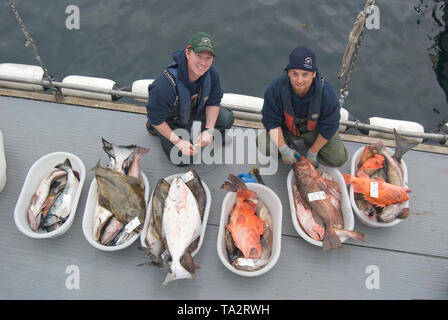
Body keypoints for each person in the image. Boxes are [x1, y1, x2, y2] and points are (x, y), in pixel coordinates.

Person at [145, 32, 234, 165]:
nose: (203, 63)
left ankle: (208, 138)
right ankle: (153, 129)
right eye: (198, 56)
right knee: (184, 159)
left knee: (227, 118)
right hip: (169, 119)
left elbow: (214, 102)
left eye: (208, 58)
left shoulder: (212, 73)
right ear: (188, 53)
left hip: (195, 109)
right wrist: (179, 142)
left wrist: (209, 130)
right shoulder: (164, 86)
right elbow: (157, 119)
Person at [257, 46, 348, 167]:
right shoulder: (275, 89)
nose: (299, 80)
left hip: (314, 130)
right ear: (288, 72)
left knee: (338, 158)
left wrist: (313, 151)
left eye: (305, 74)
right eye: (295, 74)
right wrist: (283, 148)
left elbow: (329, 126)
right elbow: (270, 122)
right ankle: (286, 148)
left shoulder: (327, 94)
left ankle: (311, 147)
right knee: (264, 145)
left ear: (314, 74)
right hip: (286, 129)